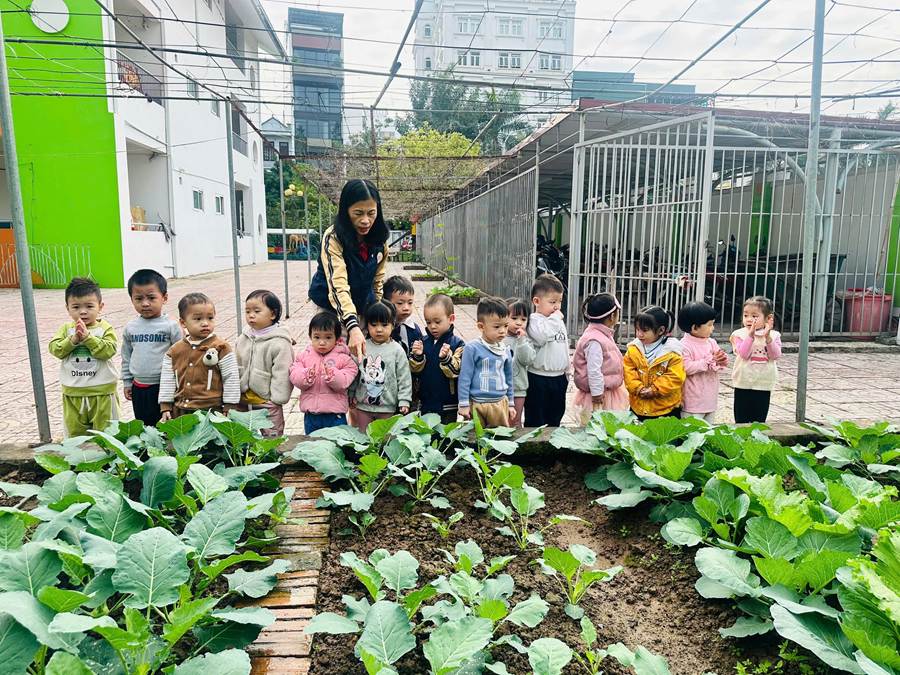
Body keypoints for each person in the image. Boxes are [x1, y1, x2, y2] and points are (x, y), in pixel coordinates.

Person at [308, 179, 390, 360]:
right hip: (330, 306)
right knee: (332, 358)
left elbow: (377, 280)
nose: (366, 220)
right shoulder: (333, 238)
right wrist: (352, 326)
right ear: (346, 211)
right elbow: (338, 285)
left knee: (363, 357)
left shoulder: (380, 240)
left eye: (371, 213)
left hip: (362, 304)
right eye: (358, 213)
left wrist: (375, 309)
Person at [49, 277, 119, 436]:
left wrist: (88, 338)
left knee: (107, 436)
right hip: (73, 393)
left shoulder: (104, 328)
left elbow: (109, 350)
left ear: (100, 306)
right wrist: (73, 340)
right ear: (67, 308)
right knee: (75, 437)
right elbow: (55, 349)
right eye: (76, 307)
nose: (83, 311)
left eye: (89, 306)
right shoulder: (66, 329)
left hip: (102, 393)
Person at [158, 293, 240, 420]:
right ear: (183, 323)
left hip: (211, 410)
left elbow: (231, 377)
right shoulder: (174, 351)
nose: (205, 323)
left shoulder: (221, 347)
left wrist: (230, 405)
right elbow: (167, 380)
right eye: (198, 319)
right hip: (181, 409)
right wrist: (165, 406)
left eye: (210, 318)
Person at [121, 269, 181, 427]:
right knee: (144, 426)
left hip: (164, 387)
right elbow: (126, 357)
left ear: (164, 298)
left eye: (151, 298)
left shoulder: (171, 326)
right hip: (138, 388)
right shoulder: (130, 328)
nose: (145, 303)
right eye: (138, 298)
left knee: (165, 426)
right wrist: (127, 382)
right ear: (131, 299)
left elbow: (181, 356)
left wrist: (179, 384)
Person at [235, 290, 294, 436]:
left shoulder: (280, 342)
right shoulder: (243, 338)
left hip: (267, 401)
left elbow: (282, 372)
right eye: (247, 311)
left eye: (257, 311)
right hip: (243, 399)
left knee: (272, 437)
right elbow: (236, 364)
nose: (251, 315)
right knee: (241, 436)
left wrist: (277, 398)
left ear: (272, 314)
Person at [290, 311, 359, 434]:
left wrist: (333, 376)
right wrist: (306, 376)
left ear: (337, 338)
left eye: (328, 337)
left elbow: (345, 381)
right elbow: (294, 375)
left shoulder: (344, 359)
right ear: (310, 336)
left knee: (337, 444)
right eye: (317, 337)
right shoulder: (304, 357)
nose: (322, 342)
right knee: (313, 443)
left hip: (335, 416)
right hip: (311, 416)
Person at [351, 300, 412, 432]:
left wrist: (404, 400)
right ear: (367, 325)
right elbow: (355, 373)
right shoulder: (362, 346)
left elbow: (404, 377)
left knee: (384, 439)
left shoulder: (397, 350)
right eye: (374, 325)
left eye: (384, 325)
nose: (379, 329)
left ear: (393, 325)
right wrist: (350, 394)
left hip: (387, 407)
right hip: (363, 406)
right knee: (363, 437)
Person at [458, 297, 516, 428]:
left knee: (499, 435)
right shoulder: (472, 348)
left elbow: (509, 378)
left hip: (499, 403)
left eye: (505, 325)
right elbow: (465, 377)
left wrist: (511, 403)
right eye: (497, 326)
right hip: (477, 403)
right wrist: (463, 404)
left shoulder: (505, 350)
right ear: (481, 326)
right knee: (474, 436)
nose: (502, 330)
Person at [572, 293, 629, 424]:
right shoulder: (594, 340)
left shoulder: (601, 334)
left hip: (606, 391)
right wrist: (597, 395)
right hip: (598, 396)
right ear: (612, 316)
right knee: (598, 427)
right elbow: (594, 370)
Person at [623, 305, 685, 421]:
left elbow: (675, 377)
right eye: (637, 330)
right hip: (638, 407)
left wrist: (655, 389)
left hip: (665, 408)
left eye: (645, 330)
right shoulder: (633, 349)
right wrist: (638, 388)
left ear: (661, 330)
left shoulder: (672, 352)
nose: (639, 334)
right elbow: (628, 372)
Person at [412, 293, 465, 424]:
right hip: (425, 403)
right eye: (428, 322)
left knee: (445, 434)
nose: (432, 326)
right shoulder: (423, 342)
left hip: (447, 405)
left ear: (451, 318)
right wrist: (417, 356)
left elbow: (456, 371)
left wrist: (446, 358)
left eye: (437, 322)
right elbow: (415, 370)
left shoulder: (458, 344)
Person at [524, 274, 569, 427]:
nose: (557, 307)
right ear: (536, 301)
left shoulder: (556, 320)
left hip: (558, 377)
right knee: (536, 418)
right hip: (538, 378)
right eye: (552, 302)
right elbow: (542, 337)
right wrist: (555, 319)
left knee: (555, 416)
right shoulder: (533, 321)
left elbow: (563, 345)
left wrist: (567, 371)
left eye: (560, 301)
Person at [730, 295, 781, 423]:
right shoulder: (739, 334)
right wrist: (750, 336)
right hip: (743, 382)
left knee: (759, 419)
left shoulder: (774, 335)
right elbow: (744, 354)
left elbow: (775, 355)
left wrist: (768, 338)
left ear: (768, 318)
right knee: (741, 420)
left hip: (763, 382)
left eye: (754, 316)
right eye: (745, 315)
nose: (749, 319)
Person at [678, 301, 728, 423]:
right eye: (710, 325)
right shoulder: (684, 346)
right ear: (694, 328)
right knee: (692, 431)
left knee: (709, 430)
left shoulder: (711, 342)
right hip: (692, 402)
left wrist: (722, 359)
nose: (713, 328)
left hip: (710, 399)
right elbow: (686, 367)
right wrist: (708, 361)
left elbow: (718, 361)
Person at [385, 274, 425, 409]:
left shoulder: (414, 330)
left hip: (410, 383)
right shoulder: (384, 330)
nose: (406, 307)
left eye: (410, 302)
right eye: (400, 303)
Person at [502, 297, 536, 428]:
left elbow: (527, 360)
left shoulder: (526, 341)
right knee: (501, 422)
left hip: (518, 389)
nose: (518, 323)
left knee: (515, 421)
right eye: (514, 318)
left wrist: (522, 341)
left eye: (523, 319)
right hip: (500, 389)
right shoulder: (499, 339)